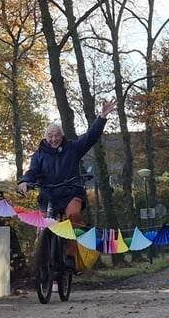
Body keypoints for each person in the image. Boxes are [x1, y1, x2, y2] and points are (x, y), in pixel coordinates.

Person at [21, 99, 119, 273]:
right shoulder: (39, 155)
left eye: (57, 135)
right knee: (42, 227)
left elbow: (90, 137)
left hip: (70, 193)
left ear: (62, 136)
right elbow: (32, 171)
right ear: (45, 137)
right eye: (50, 136)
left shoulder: (72, 148)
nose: (54, 139)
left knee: (73, 216)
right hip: (48, 196)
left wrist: (102, 117)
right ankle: (43, 263)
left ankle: (70, 257)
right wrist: (24, 182)